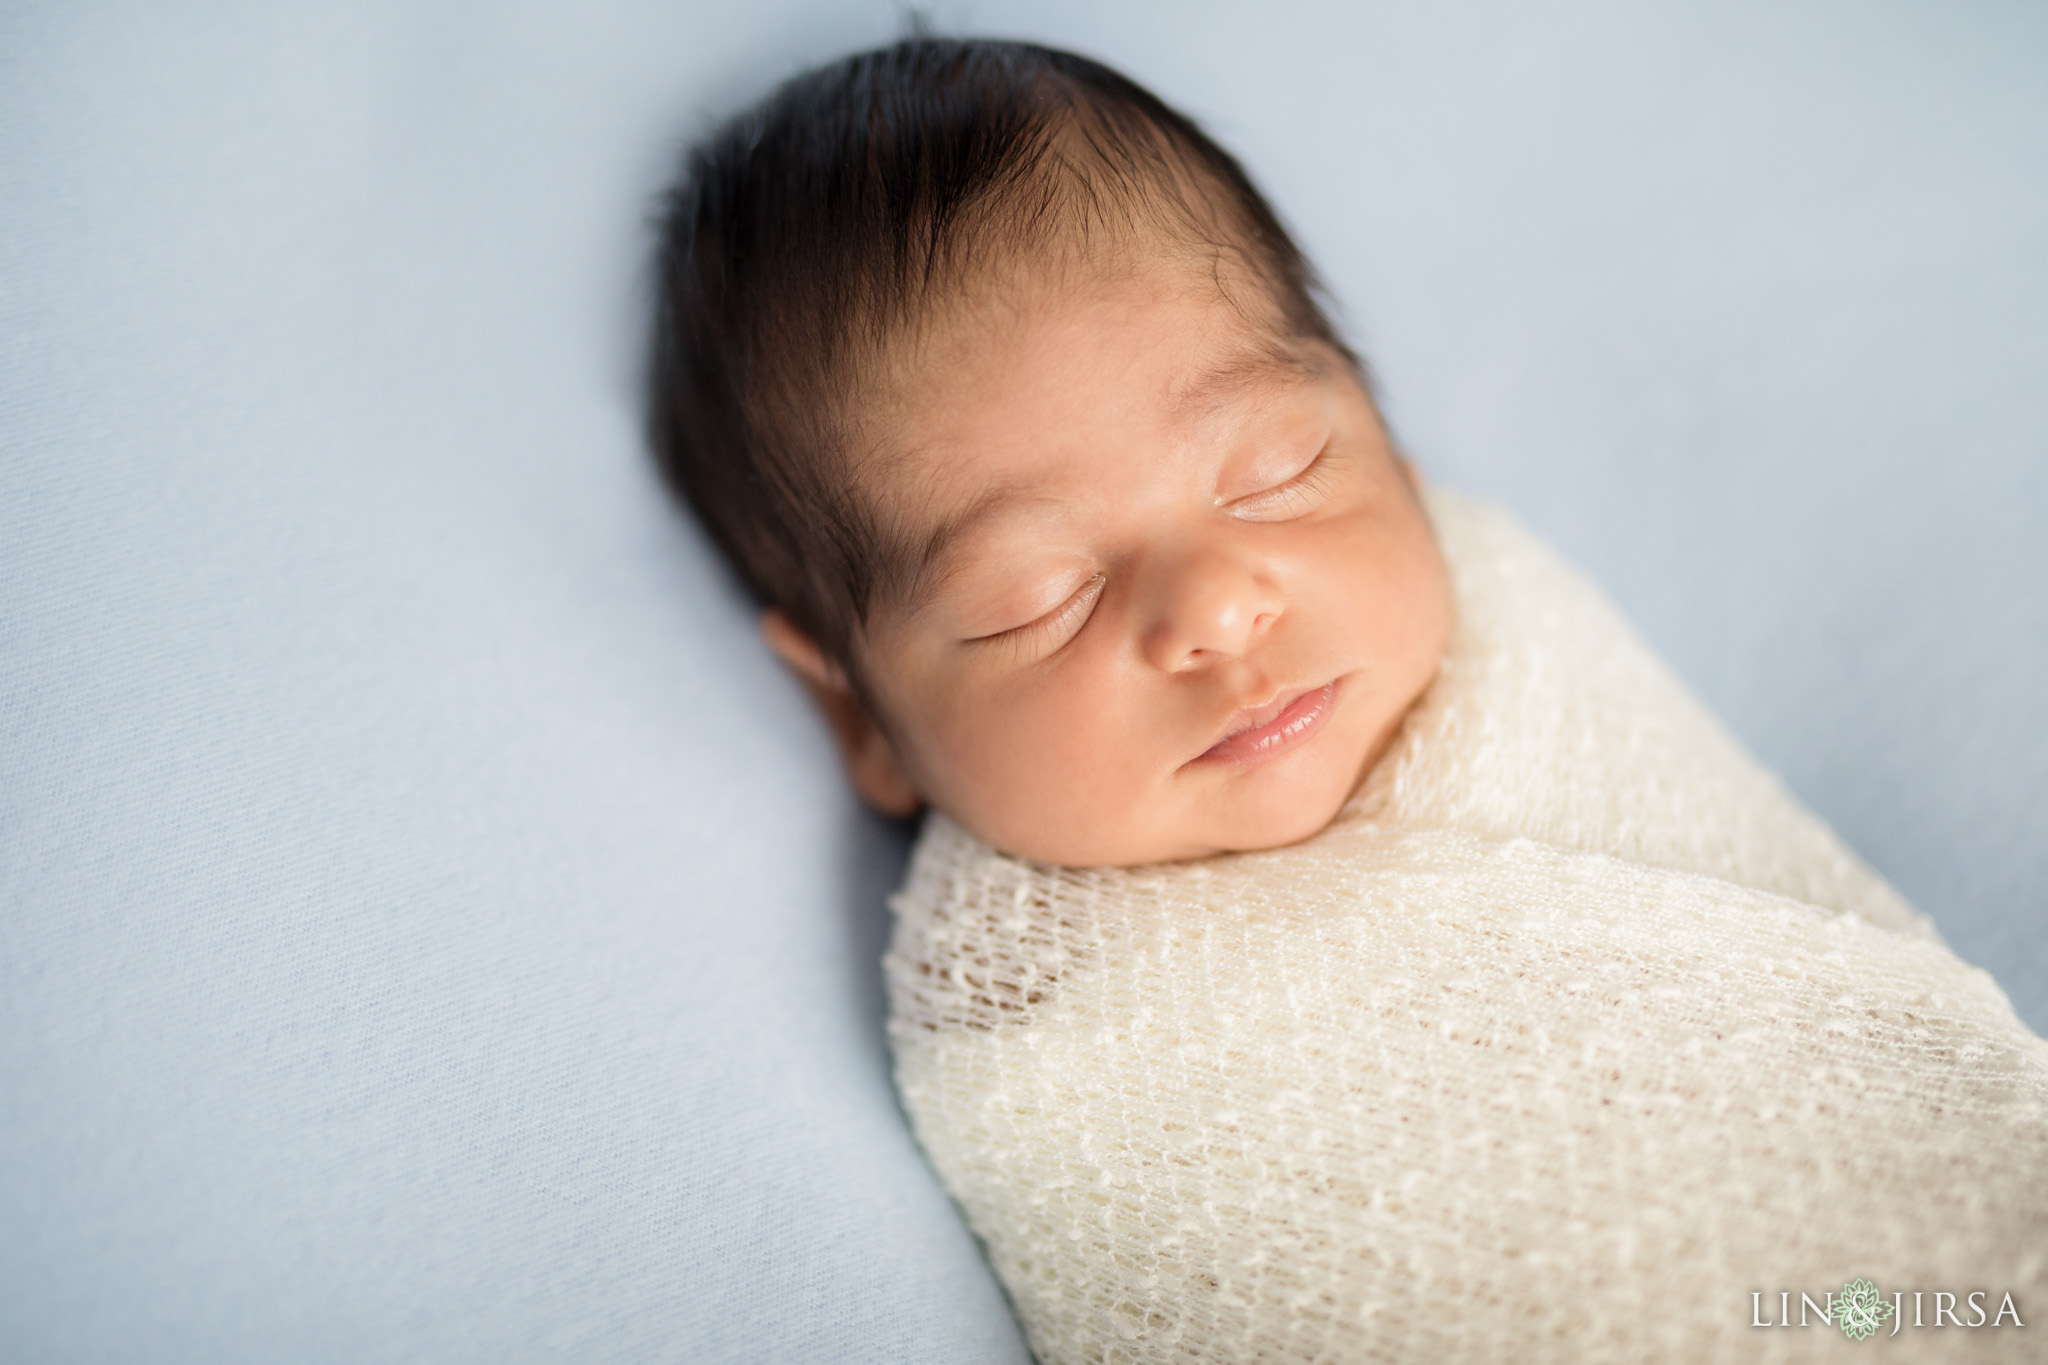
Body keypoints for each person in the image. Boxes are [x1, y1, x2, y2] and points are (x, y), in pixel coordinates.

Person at [649, 37, 2048, 1363]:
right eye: (1034, 595)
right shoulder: (1037, 1031)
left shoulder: (1514, 631)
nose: (1213, 606)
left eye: (1272, 471)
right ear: (859, 719)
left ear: (1385, 435)